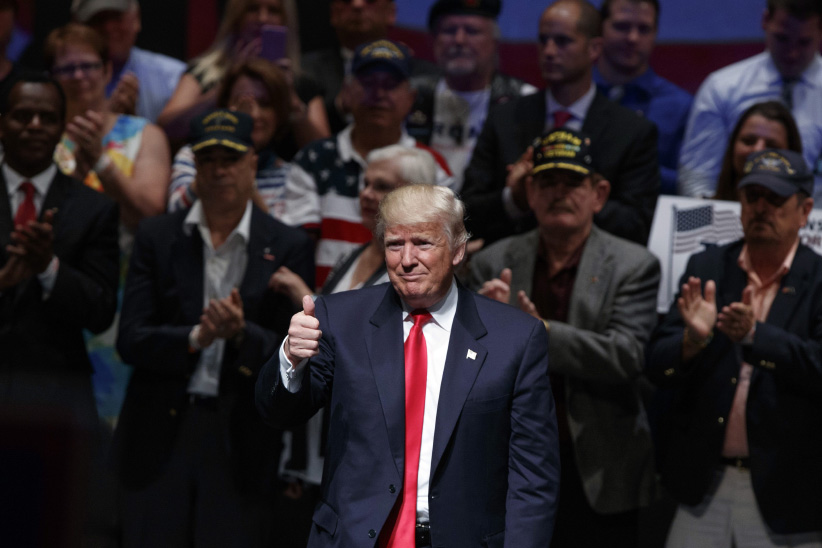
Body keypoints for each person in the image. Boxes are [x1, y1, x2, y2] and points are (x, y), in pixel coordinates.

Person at [257, 183, 559, 547]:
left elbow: (534, 477)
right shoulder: (339, 318)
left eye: (423, 243)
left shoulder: (515, 338)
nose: (407, 259)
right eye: (394, 245)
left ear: (458, 250)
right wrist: (291, 358)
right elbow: (279, 414)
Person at [114, 109, 314, 547]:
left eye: (230, 158)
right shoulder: (157, 236)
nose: (219, 169)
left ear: (252, 165)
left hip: (241, 435)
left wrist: (241, 334)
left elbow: (294, 356)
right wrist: (196, 337)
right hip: (160, 427)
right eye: (207, 160)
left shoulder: (287, 245)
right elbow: (130, 339)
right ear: (195, 169)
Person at [468, 128, 659, 548]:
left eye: (573, 183)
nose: (560, 193)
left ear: (599, 193)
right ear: (530, 192)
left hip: (596, 464)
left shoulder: (634, 265)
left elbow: (625, 355)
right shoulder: (491, 262)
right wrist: (478, 330)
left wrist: (537, 333)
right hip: (508, 464)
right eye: (548, 182)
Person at [647, 148, 822, 546]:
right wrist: (692, 341)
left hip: (789, 493)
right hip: (702, 487)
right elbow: (656, 365)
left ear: (804, 209)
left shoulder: (819, 280)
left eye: (775, 198)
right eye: (752, 196)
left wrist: (756, 337)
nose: (761, 207)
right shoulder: (707, 268)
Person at [266, 144, 437, 547]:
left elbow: (373, 350)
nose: (364, 193)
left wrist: (303, 294)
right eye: (364, 182)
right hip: (318, 447)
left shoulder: (417, 276)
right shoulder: (355, 254)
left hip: (372, 465)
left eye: (381, 186)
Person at [0, 71, 119, 542]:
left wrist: (48, 266)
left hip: (58, 404)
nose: (34, 125)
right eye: (22, 115)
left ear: (61, 128)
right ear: (1, 122)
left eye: (47, 117)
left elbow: (102, 310)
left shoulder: (94, 209)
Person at [462, 0, 659, 247]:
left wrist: (571, 199)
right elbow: (466, 213)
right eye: (544, 40)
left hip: (597, 270)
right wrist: (515, 200)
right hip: (509, 264)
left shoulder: (632, 132)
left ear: (594, 48)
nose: (550, 51)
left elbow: (638, 224)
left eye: (563, 41)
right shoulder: (504, 118)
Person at [282, 38, 453, 289]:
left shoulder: (433, 167)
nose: (379, 94)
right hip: (323, 304)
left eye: (391, 85)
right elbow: (297, 247)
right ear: (347, 92)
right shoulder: (314, 160)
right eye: (368, 83)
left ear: (411, 97)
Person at [678, 0, 822, 202]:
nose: (792, 52)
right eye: (782, 38)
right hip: (732, 220)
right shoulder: (722, 88)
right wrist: (717, 226)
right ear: (765, 21)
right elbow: (698, 178)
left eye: (804, 42)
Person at [45, 23, 170, 233]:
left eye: (88, 66)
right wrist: (78, 173)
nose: (78, 76)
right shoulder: (43, 135)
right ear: (52, 78)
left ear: (107, 70)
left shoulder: (146, 135)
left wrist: (100, 162)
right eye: (66, 69)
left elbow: (151, 213)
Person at [157, 0, 329, 150]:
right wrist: (227, 87)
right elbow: (166, 129)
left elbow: (325, 155)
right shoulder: (203, 73)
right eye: (253, 9)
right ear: (236, 17)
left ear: (285, 20)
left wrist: (290, 98)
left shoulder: (301, 83)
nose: (262, 18)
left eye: (273, 11)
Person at [405, 0, 536, 192]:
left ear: (494, 41)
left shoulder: (524, 100)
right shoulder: (412, 96)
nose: (459, 40)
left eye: (472, 31)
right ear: (433, 41)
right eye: (449, 31)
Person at [168, 58, 293, 218]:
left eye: (264, 104)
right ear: (224, 106)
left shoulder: (291, 176)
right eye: (241, 101)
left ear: (279, 113)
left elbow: (281, 240)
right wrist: (227, 138)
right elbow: (174, 216)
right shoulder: (192, 155)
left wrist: (244, 167)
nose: (252, 115)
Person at [593, 0, 691, 195]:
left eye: (644, 29)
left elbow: (688, 186)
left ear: (655, 34)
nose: (632, 38)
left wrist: (629, 166)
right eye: (622, 26)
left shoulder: (680, 106)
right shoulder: (572, 94)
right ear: (599, 28)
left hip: (651, 220)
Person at [301, 0, 437, 134]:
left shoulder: (423, 74)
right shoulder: (304, 70)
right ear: (334, 13)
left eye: (370, 0)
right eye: (347, 1)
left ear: (391, 13)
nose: (357, 4)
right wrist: (339, 106)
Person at [71, 0, 186, 123]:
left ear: (136, 18)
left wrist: (132, 126)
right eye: (97, 19)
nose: (108, 27)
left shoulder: (176, 79)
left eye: (116, 16)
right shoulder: (64, 79)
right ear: (77, 27)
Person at [713, 100, 801, 201]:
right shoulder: (702, 212)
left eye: (771, 146)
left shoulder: (812, 216)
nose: (758, 150)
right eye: (748, 141)